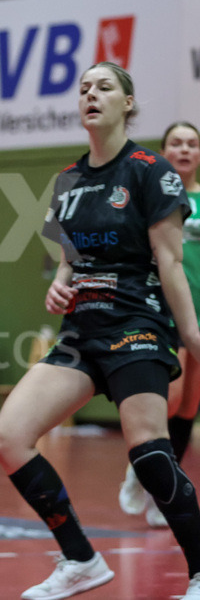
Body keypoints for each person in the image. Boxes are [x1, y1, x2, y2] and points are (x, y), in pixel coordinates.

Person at [0, 62, 200, 600]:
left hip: (138, 322)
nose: (91, 94)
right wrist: (59, 284)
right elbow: (69, 261)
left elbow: (171, 264)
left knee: (149, 450)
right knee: (9, 438)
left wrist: (193, 337)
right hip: (82, 331)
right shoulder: (68, 180)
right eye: (83, 88)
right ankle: (81, 560)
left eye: (104, 87)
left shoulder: (152, 171)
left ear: (127, 103)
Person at [119, 120, 200, 527]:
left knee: (189, 405)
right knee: (171, 396)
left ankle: (161, 493)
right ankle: (142, 470)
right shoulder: (154, 195)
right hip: (168, 310)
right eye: (176, 143)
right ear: (165, 151)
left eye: (192, 144)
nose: (184, 150)